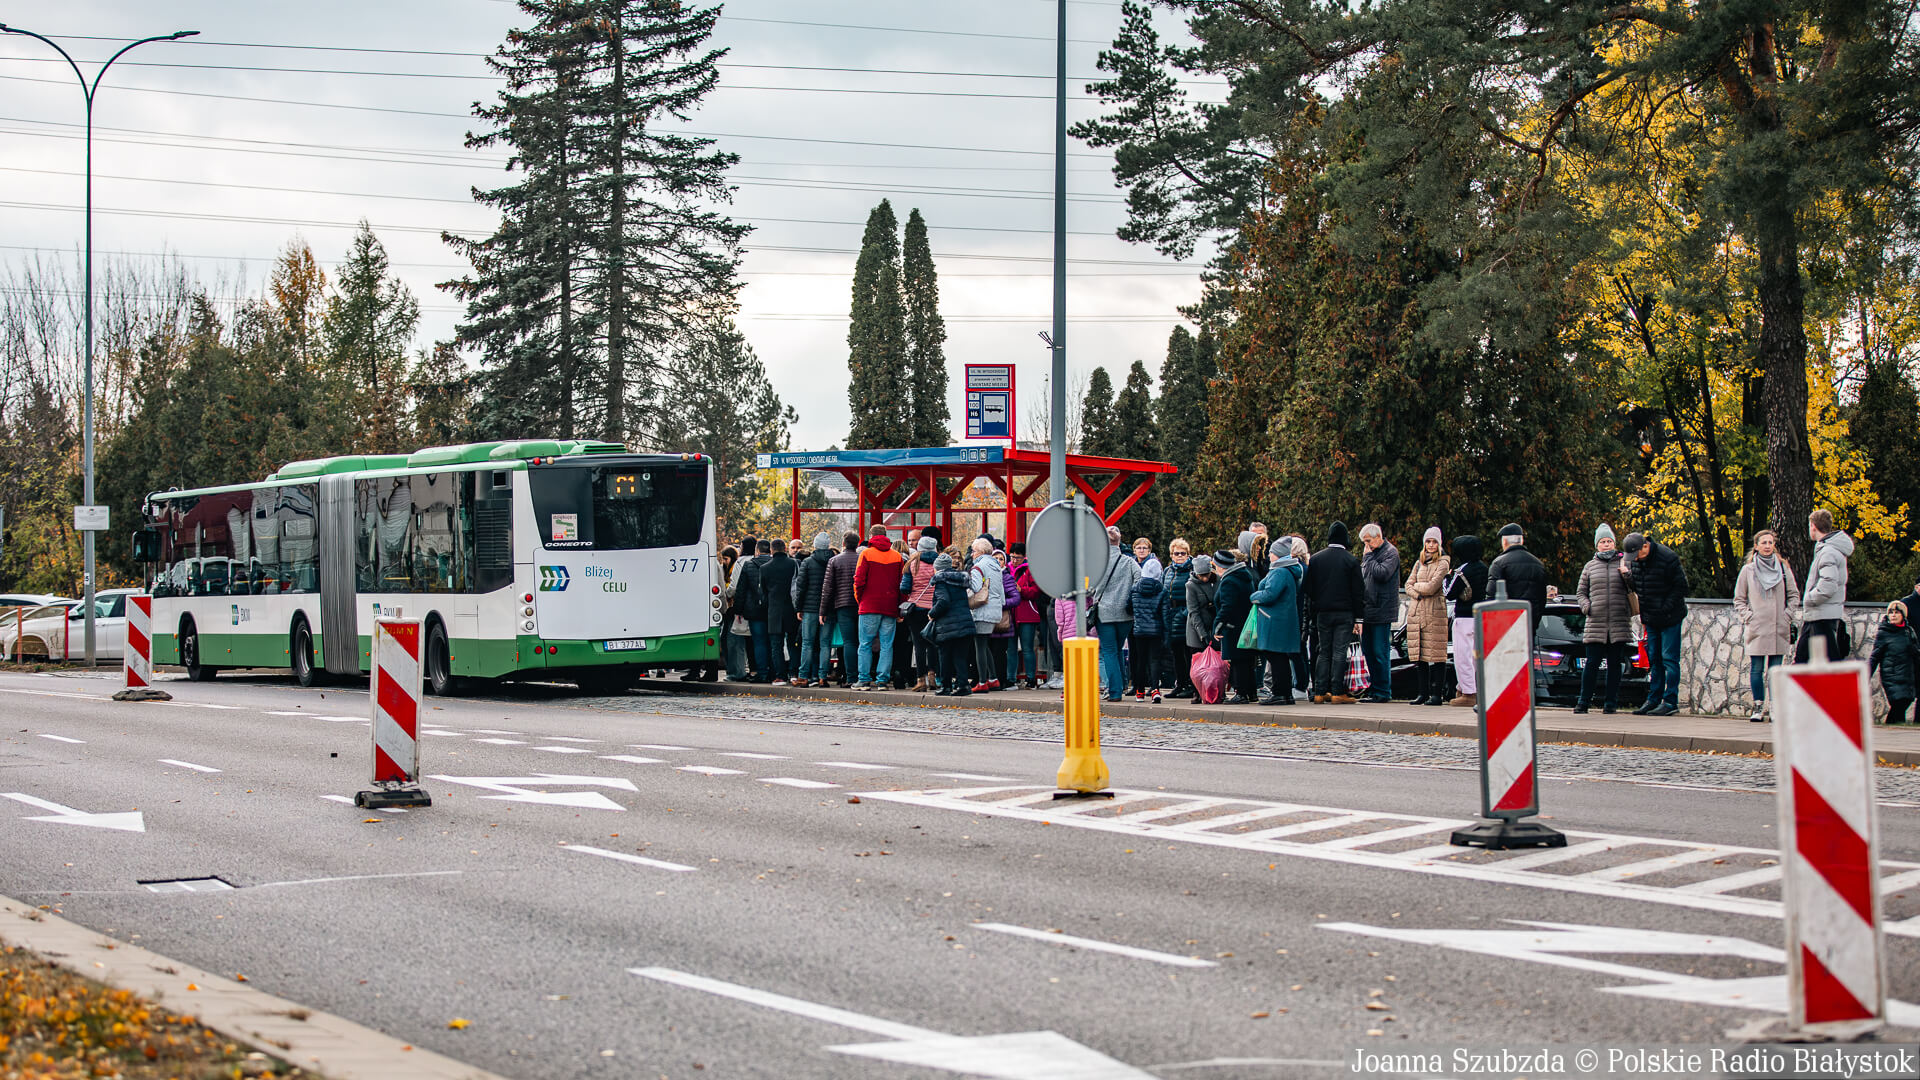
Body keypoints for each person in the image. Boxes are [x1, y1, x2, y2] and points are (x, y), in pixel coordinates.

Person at [1732, 528, 1799, 722]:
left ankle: (1775, 708)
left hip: (1778, 626)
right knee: (1757, 668)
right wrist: (1749, 616)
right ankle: (1758, 707)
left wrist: (1787, 615)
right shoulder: (1748, 570)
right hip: (1758, 627)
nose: (1767, 546)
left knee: (1775, 671)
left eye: (1770, 542)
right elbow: (1739, 599)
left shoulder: (1783, 568)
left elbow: (1794, 595)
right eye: (1764, 543)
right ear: (1756, 546)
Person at [1620, 530, 1687, 716]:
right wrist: (1628, 577)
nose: (1635, 559)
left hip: (1670, 617)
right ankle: (1653, 699)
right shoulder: (1636, 561)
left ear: (1645, 546)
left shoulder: (1667, 557)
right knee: (1654, 659)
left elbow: (1681, 587)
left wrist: (1665, 607)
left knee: (1669, 659)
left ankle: (1670, 701)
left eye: (1637, 554)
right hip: (1650, 618)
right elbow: (1640, 587)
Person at [1575, 524, 1636, 715]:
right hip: (1596, 623)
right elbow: (1581, 593)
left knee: (1615, 665)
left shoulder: (1625, 563)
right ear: (1597, 545)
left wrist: (1626, 574)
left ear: (1614, 543)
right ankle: (1583, 702)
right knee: (1592, 664)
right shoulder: (1590, 566)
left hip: (1618, 622)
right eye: (1603, 541)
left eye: (1609, 541)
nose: (1606, 544)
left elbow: (1634, 587)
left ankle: (1611, 703)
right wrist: (1587, 607)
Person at [1302, 522, 1364, 704]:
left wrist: (1318, 605)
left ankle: (1319, 691)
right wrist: (1359, 618)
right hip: (1345, 613)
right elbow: (1358, 592)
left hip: (1323, 613)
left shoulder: (1316, 559)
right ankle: (1337, 691)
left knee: (1323, 651)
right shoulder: (1351, 560)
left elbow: (1309, 589)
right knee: (1339, 652)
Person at [1248, 538, 1303, 706]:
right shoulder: (1287, 570)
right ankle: (1285, 694)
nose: (1269, 555)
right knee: (1279, 657)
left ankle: (1280, 693)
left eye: (1271, 552)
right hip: (1282, 619)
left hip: (1274, 620)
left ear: (1278, 554)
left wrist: (1254, 596)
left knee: (1276, 656)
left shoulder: (1279, 572)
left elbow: (1270, 594)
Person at [851, 526, 904, 691]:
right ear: (886, 536)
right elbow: (901, 584)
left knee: (865, 643)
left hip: (869, 605)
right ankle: (882, 681)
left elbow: (859, 580)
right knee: (887, 644)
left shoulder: (866, 554)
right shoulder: (897, 556)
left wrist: (860, 600)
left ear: (871, 536)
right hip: (890, 606)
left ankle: (864, 679)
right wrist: (899, 607)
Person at [1091, 527, 1141, 701]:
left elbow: (1089, 586)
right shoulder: (1129, 562)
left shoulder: (1098, 562)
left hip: (1104, 613)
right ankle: (1121, 684)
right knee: (1118, 649)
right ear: (1119, 541)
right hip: (1125, 614)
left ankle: (1114, 691)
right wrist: (1127, 595)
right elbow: (1140, 580)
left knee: (1109, 651)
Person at [1798, 509, 1855, 663]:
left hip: (1821, 615)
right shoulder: (1829, 550)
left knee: (1825, 663)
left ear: (1813, 526)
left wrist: (1809, 599)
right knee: (1803, 661)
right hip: (1819, 615)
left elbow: (1828, 585)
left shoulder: (1828, 552)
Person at [1403, 527, 1452, 706]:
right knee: (1419, 655)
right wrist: (1417, 592)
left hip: (1434, 613)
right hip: (1417, 612)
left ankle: (1436, 694)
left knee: (1437, 655)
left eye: (1434, 542)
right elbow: (1407, 585)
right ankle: (1422, 693)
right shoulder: (1419, 563)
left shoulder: (1443, 563)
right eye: (1428, 541)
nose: (1431, 545)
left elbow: (1432, 587)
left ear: (1439, 544)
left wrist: (1417, 587)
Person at [1357, 524, 1401, 704]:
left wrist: (1368, 558)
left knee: (1379, 651)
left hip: (1382, 609)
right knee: (1368, 650)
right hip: (1368, 609)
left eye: (1368, 541)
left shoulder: (1390, 553)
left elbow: (1382, 574)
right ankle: (1374, 688)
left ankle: (1383, 690)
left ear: (1377, 537)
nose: (1366, 545)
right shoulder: (1371, 555)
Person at [1211, 545, 1257, 704]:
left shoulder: (1229, 581)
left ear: (1220, 566)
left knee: (1238, 660)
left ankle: (1241, 693)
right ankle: (1251, 692)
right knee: (1247, 659)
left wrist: (1217, 625)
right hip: (1244, 624)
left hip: (1232, 626)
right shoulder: (1243, 576)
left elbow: (1227, 606)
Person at [928, 552, 978, 697]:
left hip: (948, 626)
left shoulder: (941, 582)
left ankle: (946, 686)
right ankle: (963, 685)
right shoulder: (960, 580)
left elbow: (943, 601)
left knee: (945, 657)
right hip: (965, 623)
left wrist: (932, 613)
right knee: (960, 657)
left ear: (938, 568)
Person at [1446, 535, 1486, 706]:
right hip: (1480, 616)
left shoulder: (1463, 570)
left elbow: (1449, 593)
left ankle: (1468, 693)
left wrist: (1447, 578)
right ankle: (1470, 688)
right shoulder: (1484, 568)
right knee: (1476, 657)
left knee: (1463, 657)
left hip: (1463, 617)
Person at [791, 533, 835, 687]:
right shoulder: (833, 561)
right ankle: (822, 677)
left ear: (815, 545)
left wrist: (799, 607)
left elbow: (801, 587)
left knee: (807, 643)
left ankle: (803, 676)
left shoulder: (808, 562)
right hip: (829, 609)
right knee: (825, 643)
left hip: (809, 608)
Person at [820, 531, 861, 687]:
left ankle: (851, 677)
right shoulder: (861, 559)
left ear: (843, 543)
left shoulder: (834, 560)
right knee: (862, 642)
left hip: (842, 606)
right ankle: (862, 675)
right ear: (857, 544)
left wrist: (823, 611)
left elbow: (827, 588)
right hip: (861, 605)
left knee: (849, 642)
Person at [967, 538, 1007, 692]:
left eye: (974, 551)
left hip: (982, 610)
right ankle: (993, 679)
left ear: (981, 552)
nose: (972, 554)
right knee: (985, 645)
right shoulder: (996, 566)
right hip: (995, 609)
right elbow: (1001, 591)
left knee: (980, 646)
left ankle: (982, 682)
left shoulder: (978, 567)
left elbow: (975, 588)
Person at [901, 535, 940, 691]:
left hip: (916, 608)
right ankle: (932, 676)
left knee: (918, 645)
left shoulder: (913, 563)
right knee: (932, 644)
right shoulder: (939, 564)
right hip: (934, 609)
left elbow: (904, 588)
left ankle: (921, 680)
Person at [1870, 601, 1916, 725]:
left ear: (1903, 615)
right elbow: (1874, 656)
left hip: (1907, 675)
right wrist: (1866, 674)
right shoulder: (1884, 633)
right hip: (1892, 676)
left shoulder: (1908, 631)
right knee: (1899, 702)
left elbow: (1915, 652)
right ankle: (1892, 726)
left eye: (1897, 613)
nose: (1893, 615)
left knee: (1905, 701)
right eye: (1891, 613)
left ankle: (1895, 727)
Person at [1129, 562, 1169, 701]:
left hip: (1139, 630)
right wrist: (1167, 633)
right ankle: (1155, 690)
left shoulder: (1135, 589)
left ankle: (1139, 691)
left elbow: (1128, 607)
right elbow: (1165, 614)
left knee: (1140, 660)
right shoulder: (1162, 590)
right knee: (1154, 660)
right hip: (1156, 630)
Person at [1163, 539, 1196, 698]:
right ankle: (1180, 683)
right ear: (1172, 555)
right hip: (1171, 613)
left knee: (1188, 651)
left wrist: (1185, 612)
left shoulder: (1192, 570)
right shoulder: (1168, 571)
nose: (1180, 556)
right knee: (1175, 652)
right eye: (1177, 553)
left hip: (1186, 613)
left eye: (1183, 553)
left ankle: (1190, 684)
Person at [762, 538, 798, 684]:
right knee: (792, 643)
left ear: (771, 550)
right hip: (791, 609)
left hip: (774, 611)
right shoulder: (794, 564)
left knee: (776, 645)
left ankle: (780, 675)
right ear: (784, 548)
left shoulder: (764, 568)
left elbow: (763, 592)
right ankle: (794, 673)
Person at [1009, 542, 1044, 690]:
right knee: (1011, 649)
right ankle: (1010, 679)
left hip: (1027, 613)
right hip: (1010, 614)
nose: (1014, 560)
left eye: (1017, 557)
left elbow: (1036, 591)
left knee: (1027, 648)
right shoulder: (1006, 569)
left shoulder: (1030, 570)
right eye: (1012, 557)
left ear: (1024, 557)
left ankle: (1031, 678)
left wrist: (1021, 590)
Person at [736, 538, 771, 682]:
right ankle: (774, 672)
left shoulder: (748, 565)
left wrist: (738, 610)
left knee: (759, 642)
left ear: (757, 550)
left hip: (754, 610)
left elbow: (741, 589)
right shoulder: (774, 563)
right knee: (773, 642)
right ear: (770, 550)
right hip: (773, 610)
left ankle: (762, 673)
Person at [1184, 554, 1218, 693]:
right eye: (1201, 576)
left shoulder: (1217, 581)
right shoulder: (1191, 585)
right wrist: (1202, 634)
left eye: (1206, 575)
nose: (1204, 578)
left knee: (1215, 663)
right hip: (1197, 627)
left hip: (1213, 624)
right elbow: (1193, 611)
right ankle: (1197, 691)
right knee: (1198, 662)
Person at [718, 545, 751, 681]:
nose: (724, 562)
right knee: (727, 640)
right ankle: (733, 671)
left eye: (726, 559)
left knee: (734, 642)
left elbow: (733, 587)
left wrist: (727, 593)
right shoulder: (725, 569)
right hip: (729, 610)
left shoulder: (736, 567)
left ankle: (737, 672)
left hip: (734, 609)